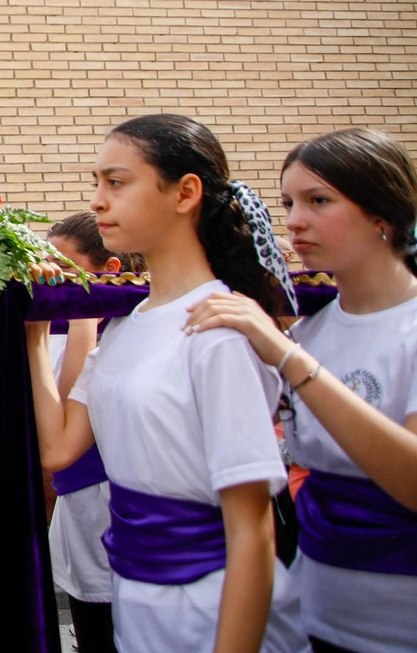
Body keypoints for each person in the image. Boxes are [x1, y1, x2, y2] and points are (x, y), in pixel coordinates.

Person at [27, 114, 307, 653]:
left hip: (213, 605)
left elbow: (251, 529)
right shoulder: (127, 326)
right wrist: (36, 332)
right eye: (97, 184)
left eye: (117, 182)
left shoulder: (220, 325)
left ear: (185, 193)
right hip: (137, 598)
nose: (99, 202)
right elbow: (59, 448)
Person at [185, 128, 417, 653]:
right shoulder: (308, 332)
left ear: (383, 213)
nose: (293, 221)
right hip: (315, 612)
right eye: (288, 202)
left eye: (319, 201)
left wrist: (290, 359)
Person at [43, 212, 121, 653]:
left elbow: (71, 406)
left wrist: (82, 312)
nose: (54, 278)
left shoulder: (108, 326)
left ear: (108, 270)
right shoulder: (57, 325)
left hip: (109, 497)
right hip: (75, 506)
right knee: (87, 617)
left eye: (65, 267)